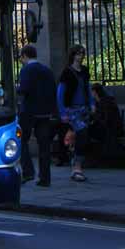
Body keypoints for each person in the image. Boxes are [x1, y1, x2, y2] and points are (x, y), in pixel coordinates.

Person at [17, 44, 57, 187]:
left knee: (21, 140)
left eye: (21, 58)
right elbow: (54, 90)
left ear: (25, 56)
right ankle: (45, 178)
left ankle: (28, 171)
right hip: (45, 113)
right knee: (44, 145)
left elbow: (24, 90)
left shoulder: (26, 70)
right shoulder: (47, 70)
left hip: (29, 112)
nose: (21, 60)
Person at [57, 44, 95, 182]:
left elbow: (88, 88)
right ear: (73, 55)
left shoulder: (84, 71)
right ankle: (77, 166)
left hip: (83, 108)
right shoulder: (67, 72)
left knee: (81, 136)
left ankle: (75, 163)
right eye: (78, 53)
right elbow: (60, 93)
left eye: (82, 53)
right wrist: (62, 112)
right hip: (71, 109)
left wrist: (91, 103)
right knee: (82, 133)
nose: (81, 56)